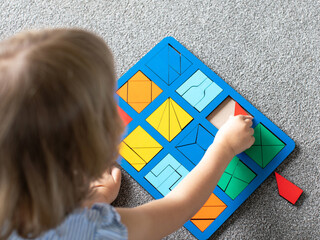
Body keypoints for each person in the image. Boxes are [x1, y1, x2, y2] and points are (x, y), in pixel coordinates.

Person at [0, 28, 255, 240]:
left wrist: (94, 199)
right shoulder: (92, 231)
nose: (120, 114)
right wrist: (224, 148)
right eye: (108, 109)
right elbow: (177, 208)